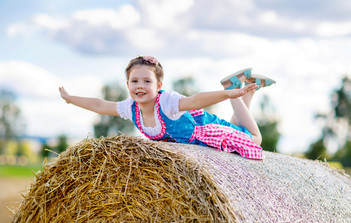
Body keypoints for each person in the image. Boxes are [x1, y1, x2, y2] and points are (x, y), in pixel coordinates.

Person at [59, 56, 275, 160]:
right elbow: (99, 105)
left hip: (204, 131)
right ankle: (248, 91)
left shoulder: (167, 102)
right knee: (236, 126)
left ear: (159, 85)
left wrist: (227, 94)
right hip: (197, 143)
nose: (140, 86)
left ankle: (235, 89)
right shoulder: (130, 108)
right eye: (134, 81)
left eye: (147, 81)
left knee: (254, 139)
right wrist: (70, 99)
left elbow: (194, 100)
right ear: (128, 85)